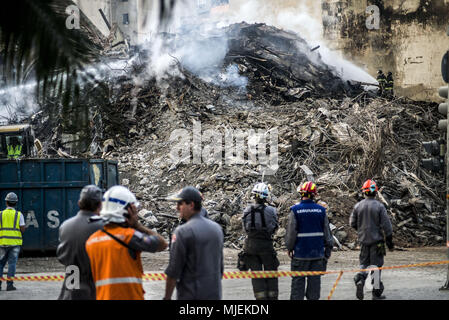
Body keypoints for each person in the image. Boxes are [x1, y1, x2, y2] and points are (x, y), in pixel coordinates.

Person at [85, 185, 167, 300]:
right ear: (127, 212)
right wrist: (137, 225)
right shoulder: (129, 237)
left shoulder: (92, 241)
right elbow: (162, 244)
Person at [164, 186, 224, 300]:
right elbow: (220, 269)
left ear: (191, 205)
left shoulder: (182, 232)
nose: (177, 208)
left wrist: (166, 297)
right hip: (214, 295)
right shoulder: (217, 229)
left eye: (180, 204)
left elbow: (173, 271)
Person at [285, 181, 333, 300]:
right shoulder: (321, 211)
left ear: (301, 194)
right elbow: (327, 234)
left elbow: (291, 233)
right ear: (314, 195)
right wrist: (327, 251)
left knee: (297, 288)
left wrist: (289, 248)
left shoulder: (295, 210)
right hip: (317, 256)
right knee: (314, 290)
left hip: (300, 255)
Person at [56, 185, 104, 300]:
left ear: (79, 203)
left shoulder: (65, 226)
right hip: (93, 292)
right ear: (100, 205)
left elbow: (62, 258)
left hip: (70, 291)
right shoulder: (104, 227)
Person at [350, 179, 393, 300]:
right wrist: (389, 240)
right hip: (378, 243)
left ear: (364, 192)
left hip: (363, 241)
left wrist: (361, 231)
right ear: (376, 192)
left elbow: (352, 223)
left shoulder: (358, 206)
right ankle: (376, 294)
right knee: (376, 266)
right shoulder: (380, 206)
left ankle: (360, 279)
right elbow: (387, 225)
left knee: (363, 264)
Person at [241, 182, 279, 300]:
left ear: (254, 196)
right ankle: (272, 298)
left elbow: (245, 229)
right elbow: (275, 227)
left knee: (256, 274)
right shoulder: (272, 211)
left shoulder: (247, 210)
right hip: (266, 246)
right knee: (271, 273)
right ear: (266, 196)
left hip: (251, 246)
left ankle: (260, 299)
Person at [0, 192, 26, 291]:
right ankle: (9, 285)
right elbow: (22, 229)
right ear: (15, 203)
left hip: (1, 242)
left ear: (6, 202)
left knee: (0, 264)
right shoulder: (19, 215)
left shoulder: (0, 214)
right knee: (12, 264)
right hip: (15, 244)